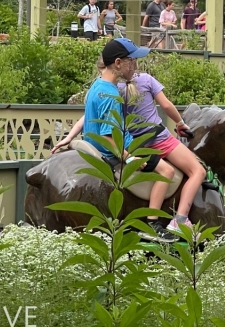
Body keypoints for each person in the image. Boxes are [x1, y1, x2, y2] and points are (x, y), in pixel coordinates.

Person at [53, 60, 206, 239]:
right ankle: (178, 220)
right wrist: (180, 123)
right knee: (198, 171)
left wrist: (70, 137)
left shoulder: (112, 88)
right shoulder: (146, 80)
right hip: (157, 139)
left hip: (133, 142)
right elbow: (166, 106)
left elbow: (89, 115)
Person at [78, 38, 180, 239]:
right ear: (118, 63)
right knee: (167, 170)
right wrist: (129, 157)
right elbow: (107, 135)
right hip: (119, 149)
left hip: (105, 145)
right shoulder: (110, 94)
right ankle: (153, 224)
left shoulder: (97, 86)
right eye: (132, 61)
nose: (135, 66)